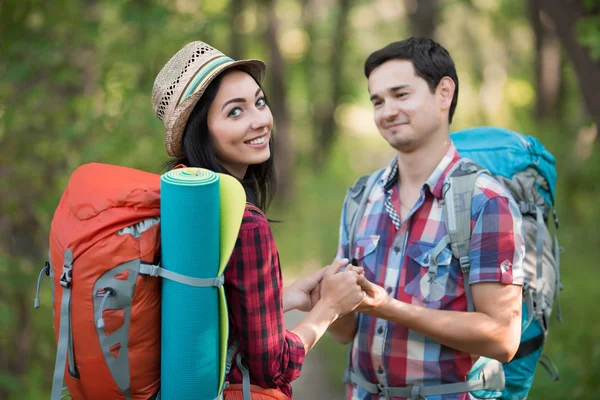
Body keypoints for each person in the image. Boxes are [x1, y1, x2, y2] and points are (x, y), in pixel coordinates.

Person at [152, 41, 366, 400]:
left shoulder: (179, 200)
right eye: (235, 112)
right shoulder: (245, 223)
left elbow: (198, 309)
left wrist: (281, 298)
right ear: (200, 132)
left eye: (259, 102)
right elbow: (275, 366)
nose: (260, 120)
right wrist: (330, 307)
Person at [327, 37, 526, 400]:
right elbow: (345, 331)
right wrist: (327, 298)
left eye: (400, 95)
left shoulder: (485, 201)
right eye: (377, 101)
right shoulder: (361, 196)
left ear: (444, 93)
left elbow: (502, 337)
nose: (386, 112)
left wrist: (389, 308)